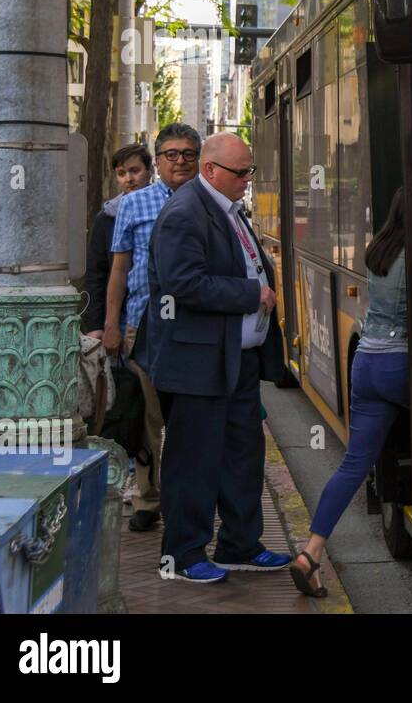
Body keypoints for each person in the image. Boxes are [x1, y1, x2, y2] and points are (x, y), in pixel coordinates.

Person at [146, 132, 291, 584]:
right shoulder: (185, 212)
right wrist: (252, 292)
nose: (248, 179)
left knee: (242, 456)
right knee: (194, 461)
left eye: (250, 170)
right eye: (241, 172)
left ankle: (240, 545)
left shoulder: (224, 207)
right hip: (197, 364)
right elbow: (183, 284)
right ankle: (185, 554)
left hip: (235, 359)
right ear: (211, 171)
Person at [289, 186, 408, 598]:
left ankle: (311, 553)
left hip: (367, 364)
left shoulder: (379, 248)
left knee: (354, 465)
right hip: (400, 366)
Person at [103, 123, 201, 532]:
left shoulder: (209, 203)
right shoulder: (134, 204)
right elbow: (119, 267)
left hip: (197, 326)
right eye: (171, 154)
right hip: (142, 326)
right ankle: (148, 499)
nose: (180, 161)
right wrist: (111, 324)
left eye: (188, 154)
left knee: (190, 417)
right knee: (149, 418)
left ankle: (188, 500)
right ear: (157, 161)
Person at [82, 144, 153, 338]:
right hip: (119, 320)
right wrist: (96, 325)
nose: (128, 179)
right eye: (121, 173)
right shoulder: (108, 216)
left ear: (149, 171)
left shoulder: (163, 209)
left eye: (135, 171)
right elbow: (96, 273)